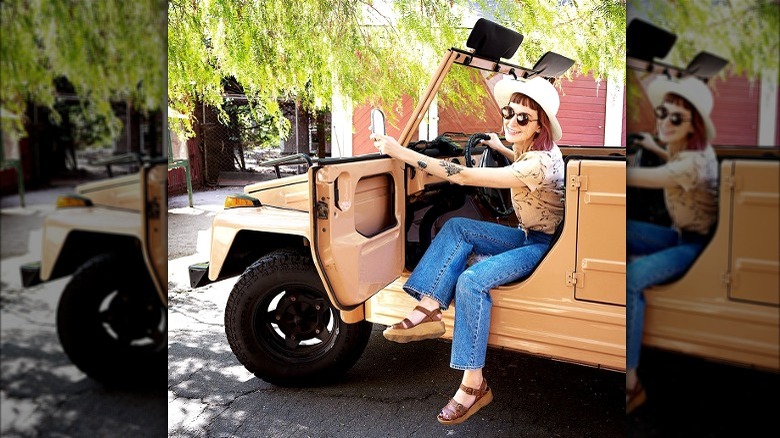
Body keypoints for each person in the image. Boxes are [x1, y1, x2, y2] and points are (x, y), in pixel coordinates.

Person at [370, 76, 565, 425]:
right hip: (526, 234)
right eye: (508, 113)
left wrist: (399, 152)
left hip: (543, 245)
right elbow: (517, 162)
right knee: (458, 227)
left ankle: (474, 386)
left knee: (471, 280)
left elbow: (460, 176)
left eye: (523, 118)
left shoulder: (537, 163)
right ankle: (429, 307)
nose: (511, 122)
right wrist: (499, 145)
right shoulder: (535, 150)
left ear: (541, 126)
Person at [625, 75, 719, 414]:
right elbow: (672, 156)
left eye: (675, 118)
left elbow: (637, 178)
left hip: (698, 247)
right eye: (663, 113)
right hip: (681, 235)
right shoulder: (693, 152)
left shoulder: (691, 162)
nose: (664, 121)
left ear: (693, 125)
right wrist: (651, 145)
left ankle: (632, 383)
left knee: (632, 277)